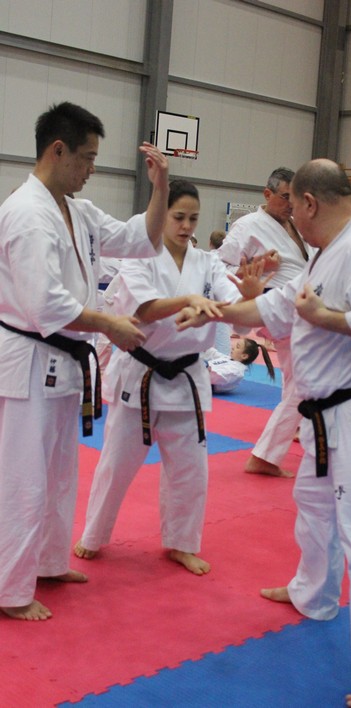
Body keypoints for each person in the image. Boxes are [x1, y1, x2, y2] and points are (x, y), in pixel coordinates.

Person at [177, 159, 351, 708]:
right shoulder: (327, 252)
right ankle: (314, 593)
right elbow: (276, 305)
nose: (290, 216)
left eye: (292, 206)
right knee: (314, 504)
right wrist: (214, 311)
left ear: (310, 203)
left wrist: (326, 317)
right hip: (332, 414)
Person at [0, 101, 169, 621]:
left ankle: (49, 563)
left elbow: (142, 239)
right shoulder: (27, 215)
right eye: (88, 157)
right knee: (22, 478)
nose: (93, 168)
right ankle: (9, 590)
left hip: (63, 361)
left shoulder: (78, 210)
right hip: (29, 361)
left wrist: (160, 187)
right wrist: (109, 324)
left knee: (58, 473)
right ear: (58, 150)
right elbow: (44, 304)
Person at [74, 179, 267, 575]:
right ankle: (93, 535)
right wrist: (192, 300)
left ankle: (181, 543)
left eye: (193, 218)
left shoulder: (207, 263)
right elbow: (145, 309)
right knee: (116, 465)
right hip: (141, 373)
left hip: (186, 377)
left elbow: (233, 310)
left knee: (190, 469)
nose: (186, 226)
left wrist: (250, 296)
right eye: (178, 217)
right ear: (161, 215)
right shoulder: (139, 257)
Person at [218, 166, 315, 477]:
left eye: (294, 198)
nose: (290, 204)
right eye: (285, 197)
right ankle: (265, 456)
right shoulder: (248, 226)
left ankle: (301, 428)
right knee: (304, 380)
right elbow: (220, 266)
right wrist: (261, 264)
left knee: (296, 376)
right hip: (275, 305)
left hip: (301, 306)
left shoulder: (297, 224)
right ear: (267, 194)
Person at [204, 336, 275, 393]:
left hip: (207, 383)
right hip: (204, 374)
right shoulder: (229, 359)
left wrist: (206, 370)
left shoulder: (237, 372)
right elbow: (214, 354)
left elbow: (219, 377)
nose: (233, 347)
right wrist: (203, 347)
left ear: (244, 356)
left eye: (237, 347)